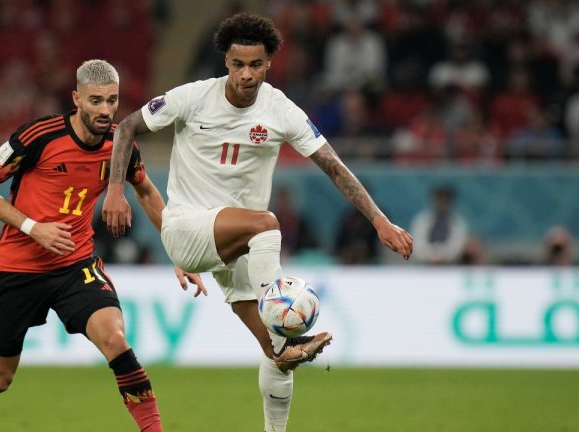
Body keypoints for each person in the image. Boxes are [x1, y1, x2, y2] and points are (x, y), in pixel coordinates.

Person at [102, 13, 413, 432]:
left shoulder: (281, 110)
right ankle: (280, 302)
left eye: (256, 65)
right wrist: (116, 190)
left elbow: (334, 167)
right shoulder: (192, 98)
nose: (246, 75)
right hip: (188, 229)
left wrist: (379, 221)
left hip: (241, 246)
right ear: (225, 63)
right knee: (267, 223)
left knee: (280, 355)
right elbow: (126, 128)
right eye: (237, 65)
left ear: (269, 64)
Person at [0, 59, 202, 432]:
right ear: (76, 98)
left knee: (115, 340)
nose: (105, 110)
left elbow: (145, 190)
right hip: (17, 269)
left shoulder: (120, 143)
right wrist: (34, 227)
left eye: (112, 101)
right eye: (95, 101)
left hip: (74, 266)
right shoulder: (39, 136)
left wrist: (178, 250)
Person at [410, 185, 469, 265]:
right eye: (440, 200)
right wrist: (430, 255)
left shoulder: (458, 223)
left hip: (449, 265)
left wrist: (442, 255)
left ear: (450, 202)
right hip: (423, 265)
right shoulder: (422, 220)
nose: (442, 204)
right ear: (434, 201)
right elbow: (416, 244)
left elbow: (457, 246)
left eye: (445, 201)